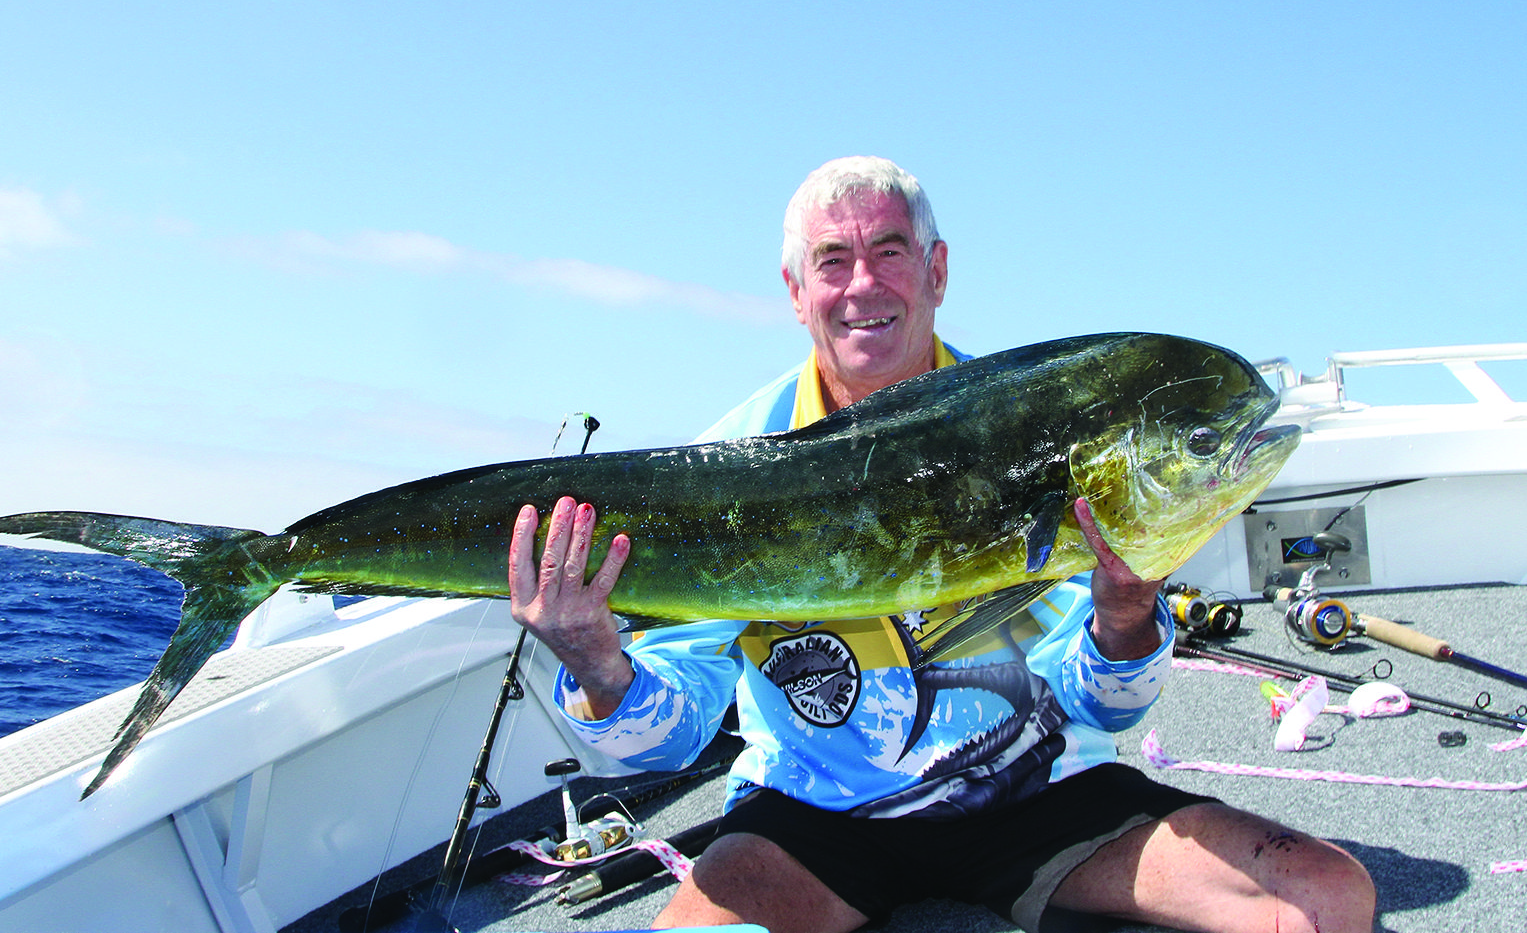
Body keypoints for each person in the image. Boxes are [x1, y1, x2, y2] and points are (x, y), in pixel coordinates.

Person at [507, 157, 1376, 933]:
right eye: (831, 262)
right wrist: (598, 663)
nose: (861, 285)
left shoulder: (1043, 431)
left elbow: (1106, 710)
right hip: (814, 819)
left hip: (1039, 790)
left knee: (1324, 899)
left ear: (936, 269)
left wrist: (1124, 617)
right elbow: (667, 741)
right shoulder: (735, 465)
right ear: (794, 289)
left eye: (888, 252)